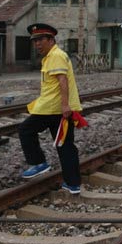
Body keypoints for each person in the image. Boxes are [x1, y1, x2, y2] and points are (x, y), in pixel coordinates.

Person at [18, 23, 85, 194]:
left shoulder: (55, 55)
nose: (37, 44)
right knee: (65, 145)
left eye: (41, 40)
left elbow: (63, 81)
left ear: (51, 39)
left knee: (25, 130)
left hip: (53, 109)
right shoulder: (53, 56)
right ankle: (73, 184)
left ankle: (39, 163)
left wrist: (64, 105)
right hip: (58, 109)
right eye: (35, 41)